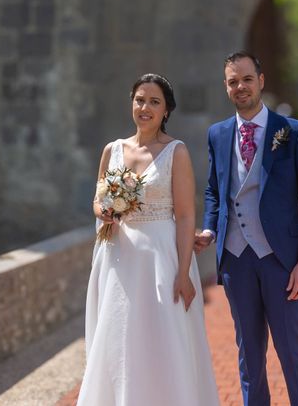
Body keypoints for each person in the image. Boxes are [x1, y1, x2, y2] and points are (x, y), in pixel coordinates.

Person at [194, 52, 298, 406]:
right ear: (226, 87)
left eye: (246, 79)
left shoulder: (294, 133)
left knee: (292, 355)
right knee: (249, 357)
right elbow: (213, 188)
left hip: (283, 263)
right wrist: (209, 229)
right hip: (236, 262)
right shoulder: (218, 134)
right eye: (232, 81)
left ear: (261, 80)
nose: (240, 86)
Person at [78, 74, 219, 406]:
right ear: (132, 103)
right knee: (118, 337)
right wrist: (103, 210)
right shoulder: (111, 150)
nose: (145, 107)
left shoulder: (176, 152)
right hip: (116, 258)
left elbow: (185, 216)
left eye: (154, 102)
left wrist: (184, 272)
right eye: (140, 99)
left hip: (161, 259)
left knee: (164, 341)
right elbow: (97, 200)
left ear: (166, 110)